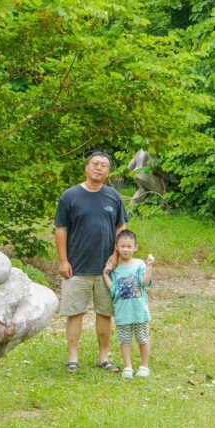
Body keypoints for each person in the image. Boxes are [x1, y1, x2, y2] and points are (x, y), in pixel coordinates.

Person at [54, 152, 127, 372]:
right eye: (95, 164)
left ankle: (103, 357)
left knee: (105, 313)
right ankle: (73, 359)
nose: (99, 168)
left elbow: (121, 228)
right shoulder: (70, 196)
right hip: (76, 267)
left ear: (108, 172)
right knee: (75, 312)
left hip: (106, 269)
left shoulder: (113, 196)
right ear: (86, 167)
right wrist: (63, 260)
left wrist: (116, 257)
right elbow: (60, 229)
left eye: (104, 165)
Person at [103, 230, 154, 379]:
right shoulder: (115, 269)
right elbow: (113, 290)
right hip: (122, 313)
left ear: (135, 247)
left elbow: (145, 283)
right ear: (117, 247)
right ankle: (128, 367)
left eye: (129, 246)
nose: (126, 249)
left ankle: (144, 366)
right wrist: (105, 274)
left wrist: (150, 266)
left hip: (139, 312)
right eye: (122, 246)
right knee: (124, 340)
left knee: (142, 338)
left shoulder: (139, 264)